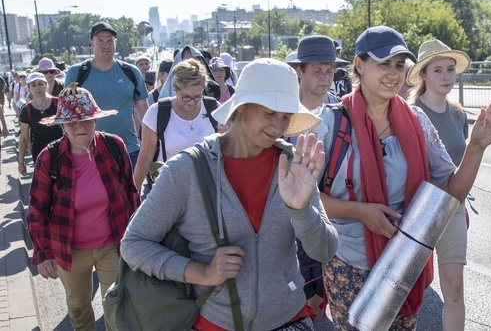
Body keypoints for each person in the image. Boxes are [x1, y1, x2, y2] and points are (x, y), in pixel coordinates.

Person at [120, 58, 338, 330]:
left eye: (286, 116)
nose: (278, 125)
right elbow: (134, 244)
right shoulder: (187, 170)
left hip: (289, 317)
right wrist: (202, 273)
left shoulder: (294, 165)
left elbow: (325, 250)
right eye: (270, 112)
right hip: (217, 321)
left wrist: (302, 209)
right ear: (241, 108)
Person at [316, 25, 491, 329]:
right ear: (358, 64)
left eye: (399, 65)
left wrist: (476, 147)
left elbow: (450, 194)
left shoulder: (416, 121)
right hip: (349, 265)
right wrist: (359, 212)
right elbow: (303, 199)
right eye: (383, 64)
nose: (393, 73)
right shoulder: (330, 122)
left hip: (404, 266)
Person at [27, 83, 140, 331]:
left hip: (112, 243)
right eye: (72, 123)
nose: (81, 127)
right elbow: (36, 211)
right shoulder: (49, 158)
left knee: (116, 303)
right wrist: (43, 254)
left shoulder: (114, 147)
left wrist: (142, 239)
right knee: (78, 306)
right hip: (69, 248)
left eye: (87, 120)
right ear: (62, 126)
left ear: (95, 120)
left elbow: (132, 196)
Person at [407, 39, 471, 331]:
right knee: (406, 294)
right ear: (423, 75)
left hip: (453, 207)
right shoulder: (407, 113)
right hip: (415, 212)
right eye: (438, 70)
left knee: (454, 287)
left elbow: (461, 161)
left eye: (450, 69)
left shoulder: (458, 113)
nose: (446, 76)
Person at [286, 35, 348, 313]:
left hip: (332, 214)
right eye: (317, 71)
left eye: (330, 71)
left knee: (324, 294)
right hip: (291, 214)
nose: (325, 78)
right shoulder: (283, 110)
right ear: (299, 72)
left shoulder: (339, 110)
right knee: (301, 292)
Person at [64, 21, 149, 168]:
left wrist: (149, 148)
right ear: (91, 43)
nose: (106, 45)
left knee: (132, 191)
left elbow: (145, 113)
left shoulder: (131, 72)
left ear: (115, 42)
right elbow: (66, 115)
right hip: (90, 151)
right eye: (100, 41)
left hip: (129, 150)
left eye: (110, 41)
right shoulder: (77, 73)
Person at [133, 59, 221, 194]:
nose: (191, 102)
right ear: (174, 87)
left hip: (207, 192)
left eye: (197, 97)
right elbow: (145, 157)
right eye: (185, 97)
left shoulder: (213, 108)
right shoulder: (157, 112)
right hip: (168, 192)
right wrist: (133, 196)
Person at [18, 73, 63, 174]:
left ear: (46, 85)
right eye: (33, 85)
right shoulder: (27, 109)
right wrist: (21, 163)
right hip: (40, 153)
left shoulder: (58, 103)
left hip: (60, 150)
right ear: (29, 88)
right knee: (45, 184)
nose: (37, 87)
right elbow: (24, 137)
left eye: (40, 84)